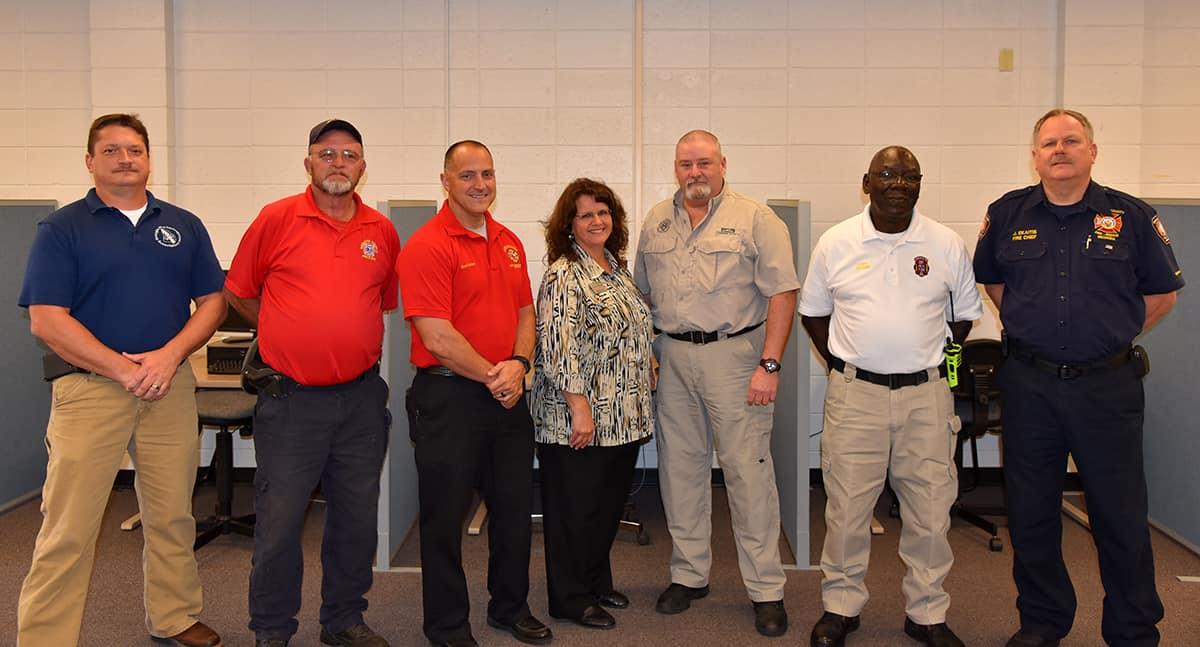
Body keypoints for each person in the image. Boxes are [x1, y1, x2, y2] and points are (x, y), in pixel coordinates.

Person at [975, 109, 1183, 647]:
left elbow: (1162, 295)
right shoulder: (1006, 214)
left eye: (1071, 141)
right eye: (1049, 143)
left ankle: (1134, 630)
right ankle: (1043, 622)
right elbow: (996, 286)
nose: (1059, 150)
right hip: (1030, 385)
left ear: (1092, 151)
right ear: (1036, 155)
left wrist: (1108, 334)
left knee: (1120, 515)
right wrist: (1037, 332)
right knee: (1032, 512)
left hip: (1106, 387)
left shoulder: (1132, 217)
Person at [16, 113, 225, 647]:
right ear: (90, 162)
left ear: (149, 159)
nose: (124, 159)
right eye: (110, 151)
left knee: (173, 514)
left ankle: (174, 615)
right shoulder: (62, 229)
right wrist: (124, 368)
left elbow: (213, 302)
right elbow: (47, 319)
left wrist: (167, 357)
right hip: (89, 391)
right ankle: (45, 638)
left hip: (169, 387)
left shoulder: (183, 224)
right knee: (68, 526)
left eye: (134, 149)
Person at [224, 119, 399, 647]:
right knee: (279, 527)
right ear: (308, 164)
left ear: (362, 167)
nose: (338, 163)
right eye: (327, 154)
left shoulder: (381, 232)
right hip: (292, 403)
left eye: (349, 155)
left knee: (355, 521)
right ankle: (272, 630)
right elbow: (239, 292)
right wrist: (281, 326)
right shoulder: (276, 219)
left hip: (361, 400)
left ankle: (343, 619)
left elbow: (381, 303)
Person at [799, 146, 983, 647]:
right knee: (847, 511)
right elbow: (812, 311)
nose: (898, 183)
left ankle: (926, 612)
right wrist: (841, 363)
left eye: (908, 176)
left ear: (920, 184)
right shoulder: (836, 242)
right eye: (887, 174)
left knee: (929, 510)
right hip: (856, 396)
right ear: (866, 183)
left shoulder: (945, 243)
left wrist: (930, 353)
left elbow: (964, 314)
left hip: (927, 397)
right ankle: (840, 607)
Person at [634, 129, 799, 638]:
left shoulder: (755, 219)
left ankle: (766, 590)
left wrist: (769, 365)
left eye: (704, 163)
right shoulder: (657, 220)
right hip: (674, 357)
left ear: (723, 165)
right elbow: (640, 293)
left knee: (748, 476)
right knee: (680, 471)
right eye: (686, 164)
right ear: (675, 168)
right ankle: (689, 574)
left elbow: (783, 293)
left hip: (736, 358)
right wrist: (648, 358)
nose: (695, 173)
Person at [398, 140, 552, 647]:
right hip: (449, 400)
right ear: (445, 181)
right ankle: (446, 626)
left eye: (486, 173)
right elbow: (436, 336)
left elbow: (526, 315)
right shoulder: (427, 245)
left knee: (510, 512)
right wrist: (496, 375)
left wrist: (520, 364)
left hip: (506, 395)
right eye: (467, 175)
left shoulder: (507, 240)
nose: (479, 184)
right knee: (444, 518)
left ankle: (510, 608)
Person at [530, 178, 655, 631]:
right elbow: (557, 347)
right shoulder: (564, 274)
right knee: (573, 512)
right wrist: (578, 407)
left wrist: (648, 361)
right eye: (586, 215)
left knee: (605, 506)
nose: (597, 221)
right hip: (577, 417)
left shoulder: (616, 269)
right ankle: (568, 597)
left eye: (603, 212)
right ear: (569, 225)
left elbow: (633, 328)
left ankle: (595, 580)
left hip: (621, 417)